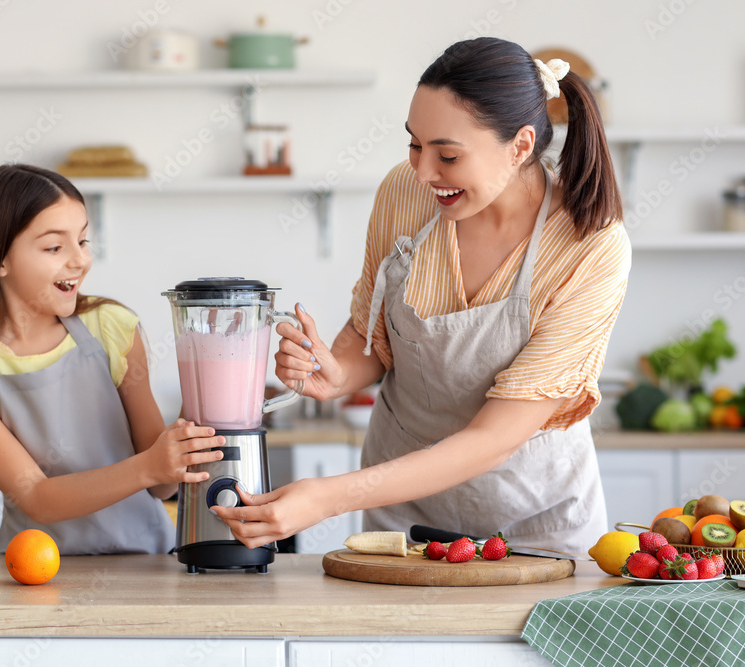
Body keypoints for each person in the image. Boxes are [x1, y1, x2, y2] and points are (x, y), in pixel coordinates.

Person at [214, 37, 631, 554]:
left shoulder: (591, 246)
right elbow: (375, 335)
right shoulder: (404, 193)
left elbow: (493, 437)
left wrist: (325, 499)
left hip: (535, 523)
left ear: (521, 146)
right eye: (414, 144)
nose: (424, 171)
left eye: (448, 155)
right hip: (403, 521)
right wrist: (337, 372)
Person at [0, 164, 224, 555]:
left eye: (83, 241)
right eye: (54, 247)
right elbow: (37, 497)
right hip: (31, 577)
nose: (80, 261)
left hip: (146, 570)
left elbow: (162, 485)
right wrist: (149, 465)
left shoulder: (112, 329)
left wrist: (183, 430)